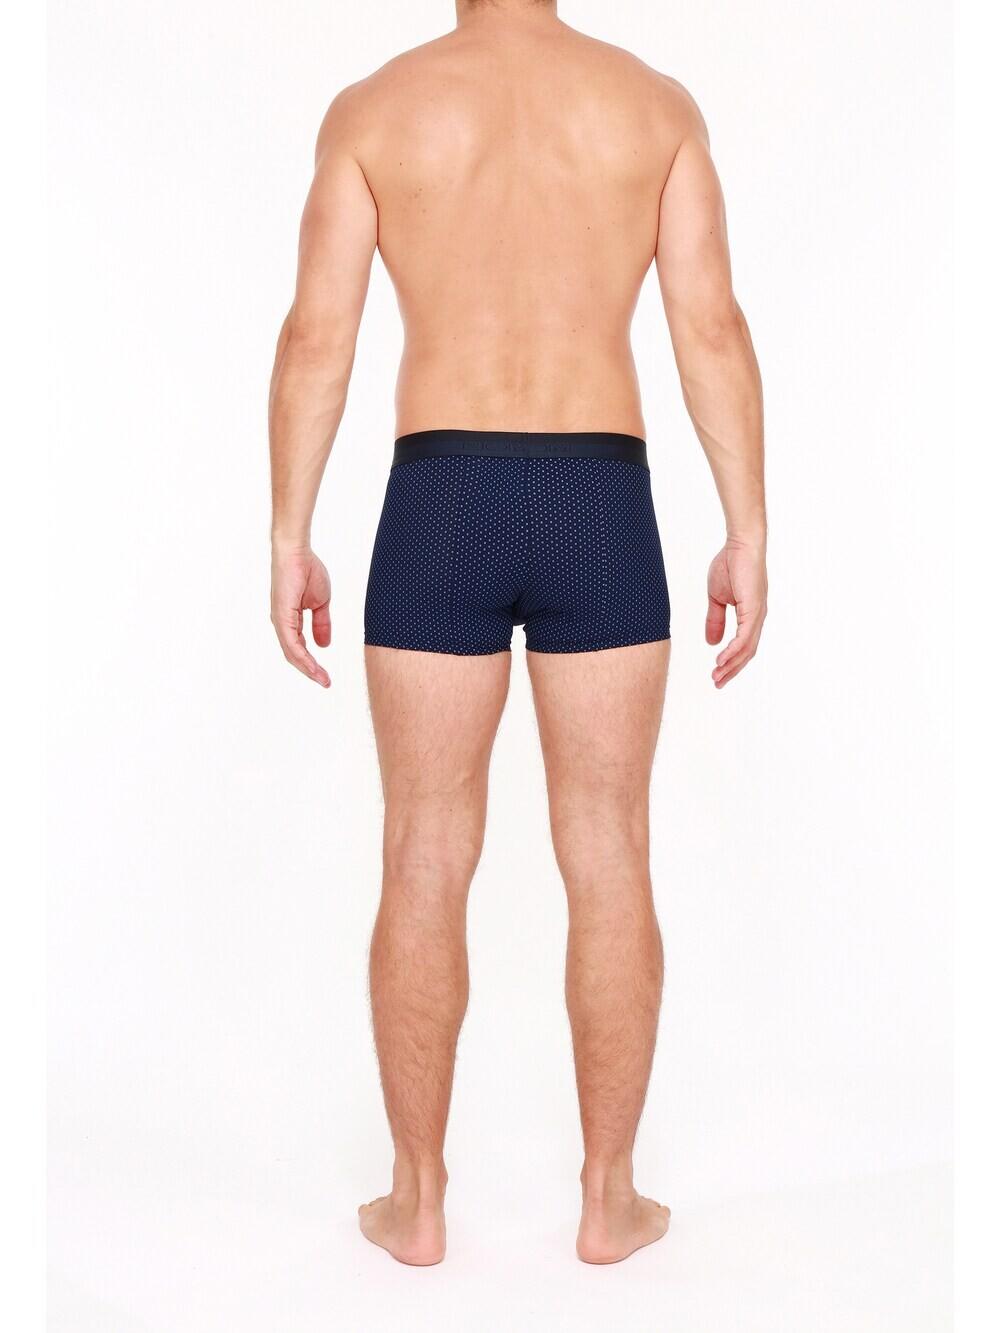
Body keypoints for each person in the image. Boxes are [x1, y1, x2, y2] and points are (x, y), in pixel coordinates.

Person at [269, 0, 766, 1267]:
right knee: (609, 847)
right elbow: (709, 325)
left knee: (422, 850)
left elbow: (318, 335)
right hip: (599, 498)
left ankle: (416, 1202)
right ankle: (610, 1199)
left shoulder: (379, 109)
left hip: (440, 497)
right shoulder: (650, 107)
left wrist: (289, 532)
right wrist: (746, 527)